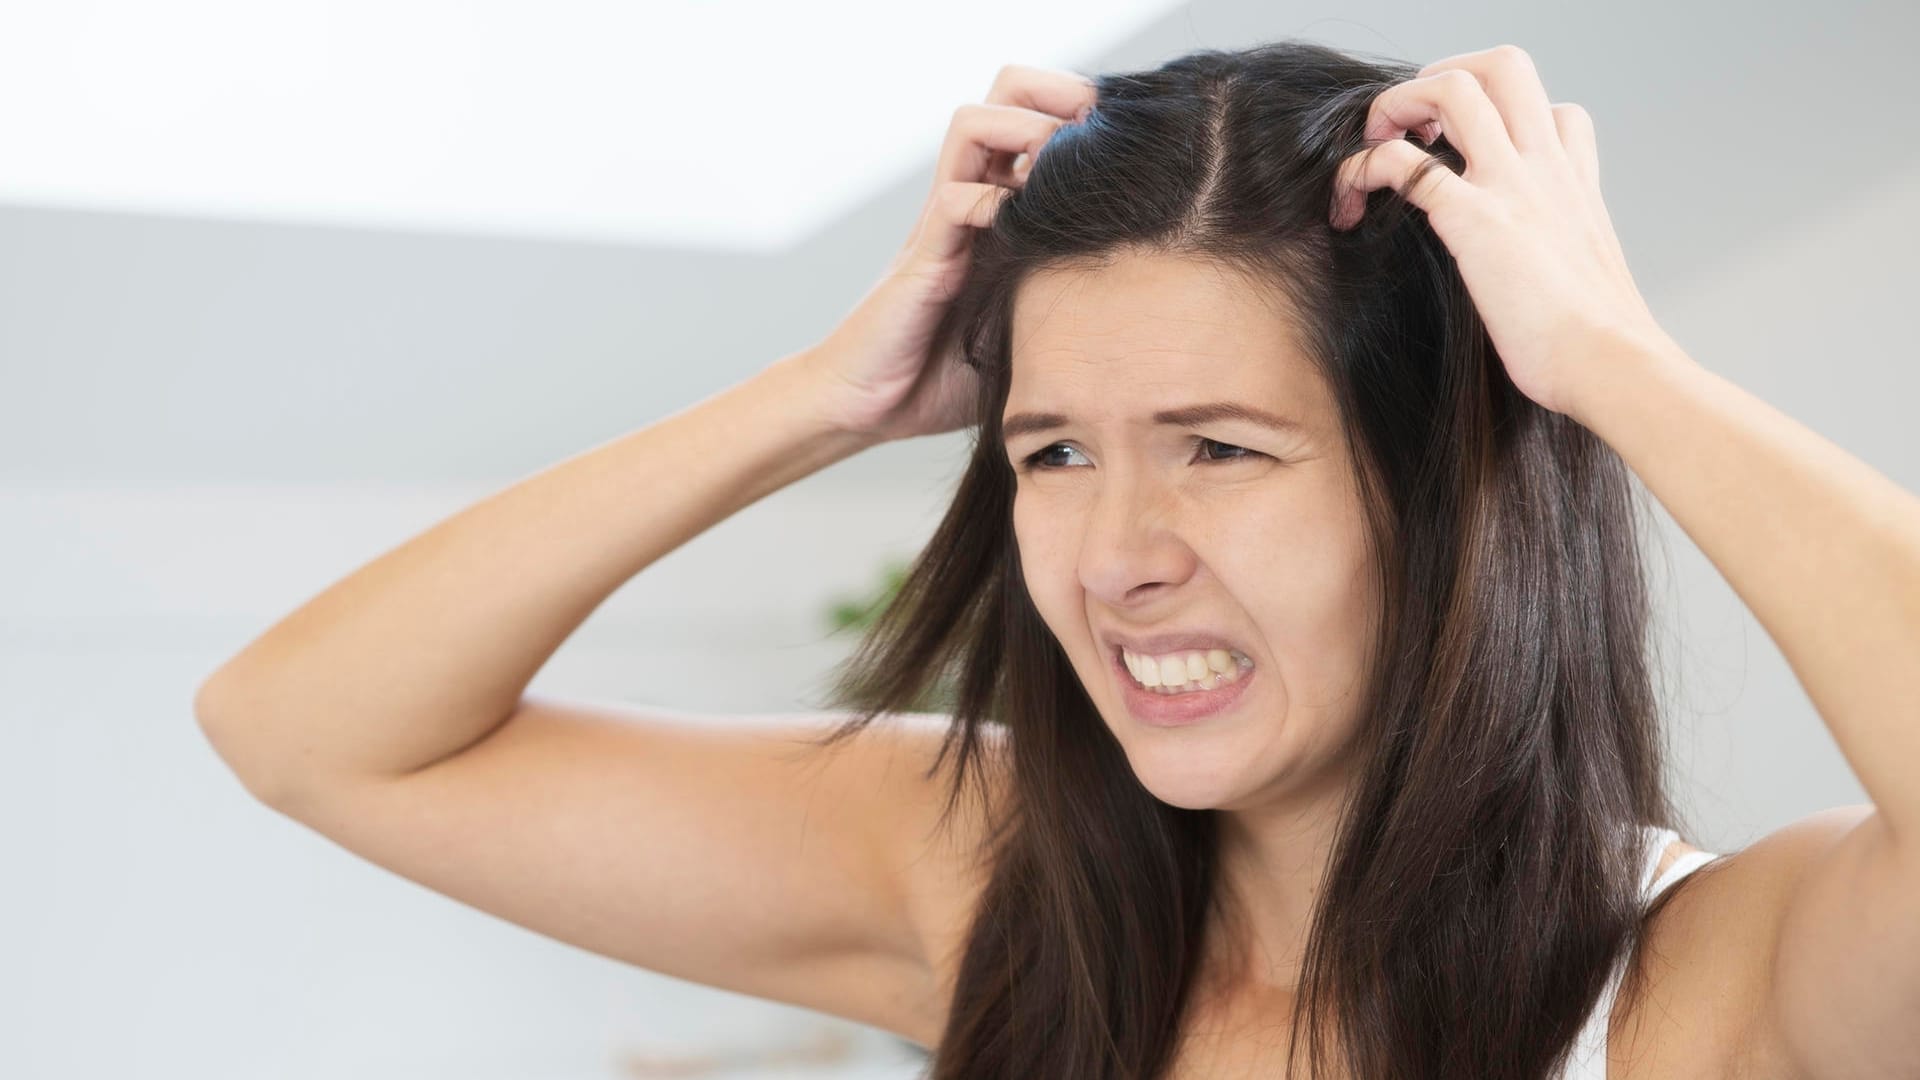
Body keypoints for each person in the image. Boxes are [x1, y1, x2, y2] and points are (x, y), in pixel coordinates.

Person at [194, 38, 1920, 1080]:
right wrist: (817, 399)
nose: (1113, 558)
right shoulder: (984, 886)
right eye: (1056, 451)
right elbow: (307, 727)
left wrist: (1615, 369)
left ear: (1445, 486)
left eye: (1221, 450)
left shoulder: (1715, 983)